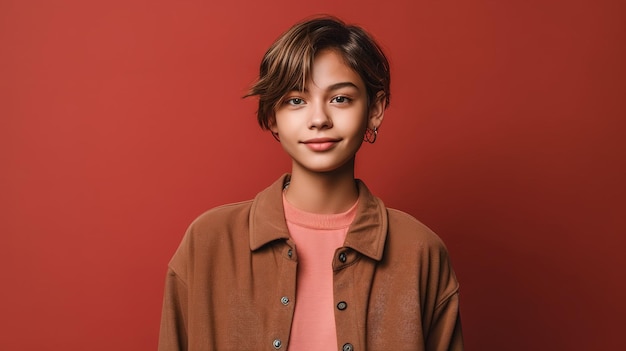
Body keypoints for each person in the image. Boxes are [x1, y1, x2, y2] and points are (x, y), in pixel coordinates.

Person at [158, 16, 463, 351]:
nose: (319, 119)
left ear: (375, 109)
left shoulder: (420, 252)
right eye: (296, 100)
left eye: (340, 99)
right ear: (272, 115)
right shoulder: (208, 243)